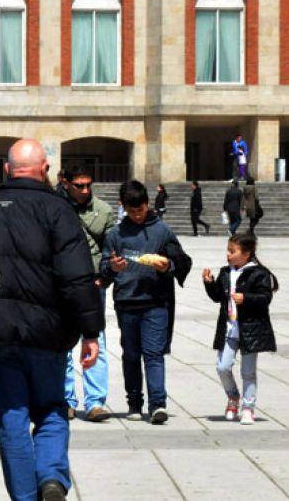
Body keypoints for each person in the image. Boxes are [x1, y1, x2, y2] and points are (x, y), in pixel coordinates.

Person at [0, 139, 103, 501]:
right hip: (48, 331)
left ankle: (25, 496)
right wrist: (91, 332)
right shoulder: (58, 210)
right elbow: (77, 276)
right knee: (51, 408)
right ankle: (52, 479)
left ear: (7, 169)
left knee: (12, 417)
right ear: (44, 170)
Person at [100, 180, 191, 424]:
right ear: (123, 207)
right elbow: (104, 268)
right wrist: (112, 267)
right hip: (127, 302)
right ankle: (134, 402)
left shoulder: (162, 230)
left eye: (140, 210)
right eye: (132, 212)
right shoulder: (116, 234)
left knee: (153, 353)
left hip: (155, 302)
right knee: (130, 354)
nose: (137, 216)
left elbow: (181, 260)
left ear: (148, 204)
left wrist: (168, 265)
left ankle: (158, 404)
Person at [59, 166, 116, 422]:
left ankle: (95, 402)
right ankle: (66, 400)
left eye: (88, 185)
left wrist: (104, 277)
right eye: (79, 185)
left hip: (91, 286)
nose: (85, 190)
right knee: (62, 344)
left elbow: (112, 249)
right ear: (65, 183)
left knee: (95, 341)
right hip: (60, 285)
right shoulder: (54, 207)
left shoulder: (103, 210)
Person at [202, 234, 278, 426]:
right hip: (228, 328)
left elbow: (265, 298)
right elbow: (218, 296)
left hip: (250, 330)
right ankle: (233, 397)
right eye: (228, 250)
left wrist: (247, 298)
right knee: (222, 367)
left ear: (246, 253)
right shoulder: (226, 272)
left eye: (232, 251)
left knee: (248, 372)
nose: (228, 254)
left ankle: (248, 408)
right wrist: (209, 284)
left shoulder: (259, 273)